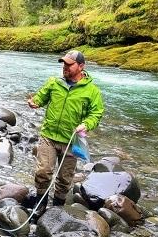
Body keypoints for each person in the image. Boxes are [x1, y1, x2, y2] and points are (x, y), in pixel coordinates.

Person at [27, 50, 104, 209]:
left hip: (71, 140)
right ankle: (39, 205)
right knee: (43, 171)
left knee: (64, 178)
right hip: (48, 136)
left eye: (69, 64)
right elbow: (40, 98)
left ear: (81, 66)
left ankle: (57, 208)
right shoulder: (54, 83)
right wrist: (34, 102)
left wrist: (87, 124)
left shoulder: (92, 91)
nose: (65, 67)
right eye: (64, 63)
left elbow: (96, 113)